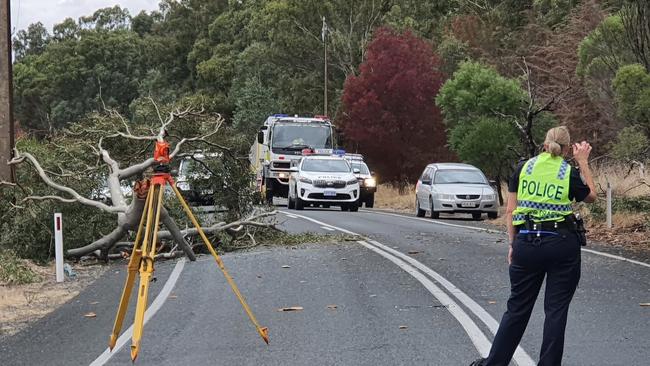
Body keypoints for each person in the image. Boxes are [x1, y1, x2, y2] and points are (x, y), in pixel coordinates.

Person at [470, 126, 597, 366]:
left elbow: (510, 210)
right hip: (561, 243)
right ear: (568, 149)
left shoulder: (522, 168)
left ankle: (494, 363)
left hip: (526, 242)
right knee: (556, 310)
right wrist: (583, 162)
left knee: (517, 307)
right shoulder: (567, 171)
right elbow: (591, 196)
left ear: (544, 144)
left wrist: (512, 244)